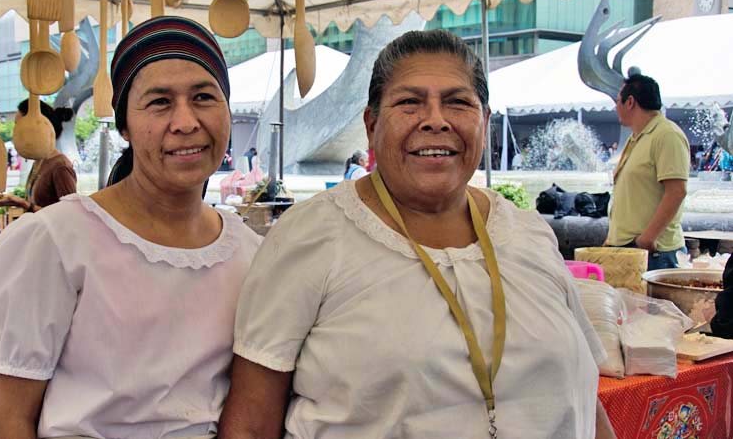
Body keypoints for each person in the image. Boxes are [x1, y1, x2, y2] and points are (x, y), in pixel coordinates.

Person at [219, 30, 615, 439]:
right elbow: (249, 425)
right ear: (371, 125)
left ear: (485, 121)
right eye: (409, 102)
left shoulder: (528, 233)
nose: (436, 120)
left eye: (458, 102)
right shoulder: (310, 236)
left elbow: (585, 397)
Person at [0, 16, 261, 439]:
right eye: (159, 102)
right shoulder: (57, 241)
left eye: (203, 97)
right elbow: (11, 420)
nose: (185, 122)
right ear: (124, 125)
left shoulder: (246, 252)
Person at [605, 74, 689, 270]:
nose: (615, 107)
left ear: (630, 102)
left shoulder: (667, 135)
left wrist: (647, 238)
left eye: (618, 101)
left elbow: (677, 191)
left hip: (654, 252)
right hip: (628, 248)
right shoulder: (636, 138)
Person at [0, 100, 77, 213]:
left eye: (18, 125)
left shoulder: (60, 166)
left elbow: (69, 214)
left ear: (37, 128)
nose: (15, 132)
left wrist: (22, 204)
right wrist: (16, 201)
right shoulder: (40, 161)